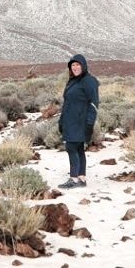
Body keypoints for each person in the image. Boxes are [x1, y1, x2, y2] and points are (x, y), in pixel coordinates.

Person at [58, 54, 99, 188]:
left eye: (77, 64)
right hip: (70, 120)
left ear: (83, 65)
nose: (75, 67)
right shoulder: (73, 81)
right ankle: (81, 178)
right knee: (79, 148)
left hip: (80, 121)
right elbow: (68, 102)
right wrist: (61, 120)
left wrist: (90, 123)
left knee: (71, 147)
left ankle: (74, 178)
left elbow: (93, 104)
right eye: (73, 65)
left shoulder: (89, 81)